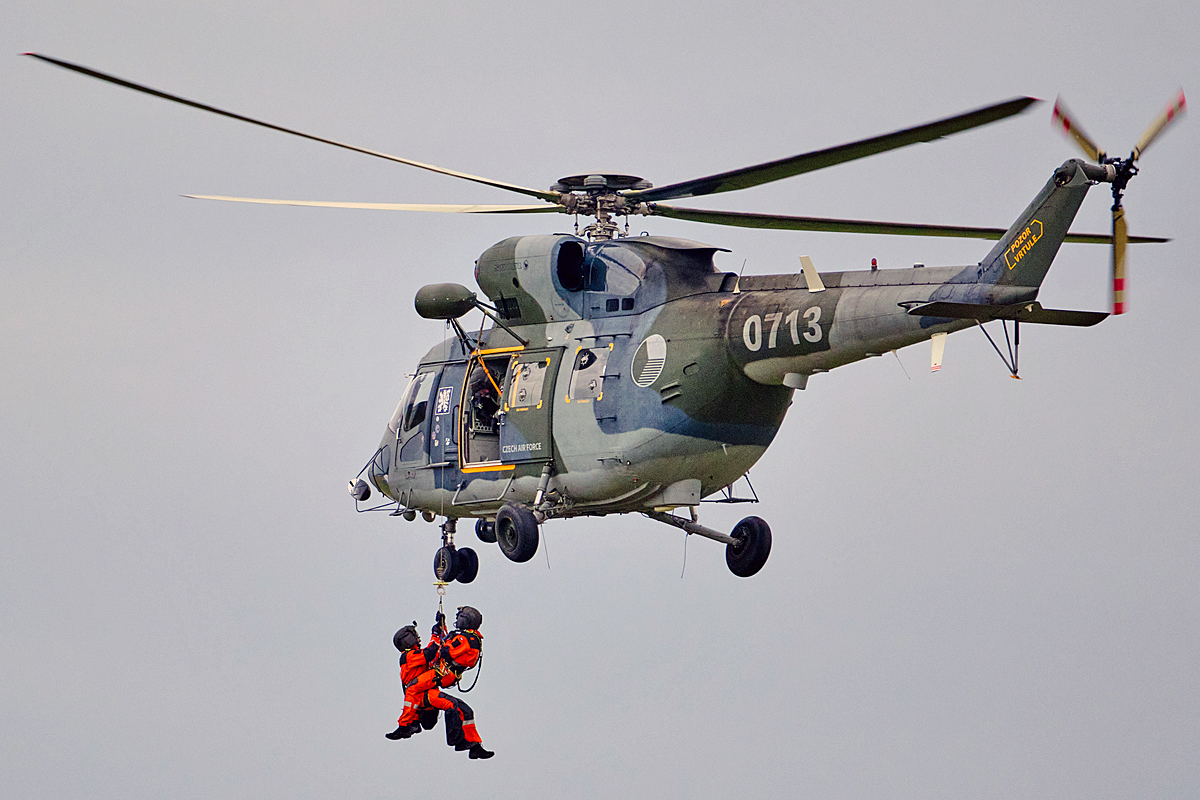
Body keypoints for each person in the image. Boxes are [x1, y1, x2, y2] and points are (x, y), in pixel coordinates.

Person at [386, 608, 493, 759]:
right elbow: (433, 651)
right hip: (424, 694)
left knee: (464, 710)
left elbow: (438, 649)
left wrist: (439, 628)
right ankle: (406, 725)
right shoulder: (409, 656)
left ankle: (474, 745)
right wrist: (437, 632)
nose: (418, 638)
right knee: (414, 688)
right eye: (415, 636)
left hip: (431, 687)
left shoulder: (464, 639)